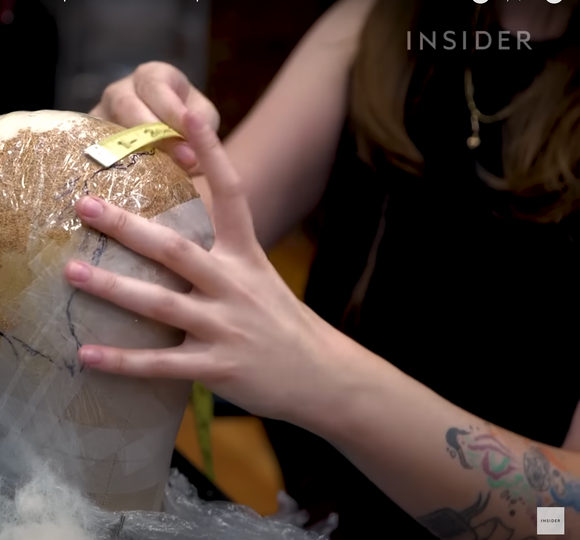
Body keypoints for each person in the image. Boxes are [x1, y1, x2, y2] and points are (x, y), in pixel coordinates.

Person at [64, 0, 580, 538]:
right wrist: (116, 155)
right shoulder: (374, 28)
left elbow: (564, 519)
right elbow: (177, 237)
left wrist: (320, 376)